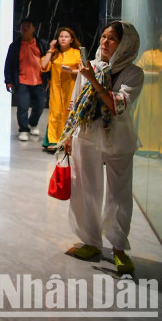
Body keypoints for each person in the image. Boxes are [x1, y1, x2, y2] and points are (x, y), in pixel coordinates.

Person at [61, 20, 143, 274]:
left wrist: (93, 80)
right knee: (86, 188)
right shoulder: (91, 66)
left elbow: (117, 105)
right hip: (86, 135)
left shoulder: (133, 73)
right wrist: (67, 136)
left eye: (112, 39)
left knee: (119, 194)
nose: (105, 42)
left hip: (118, 138)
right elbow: (76, 102)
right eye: (104, 37)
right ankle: (91, 241)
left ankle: (118, 248)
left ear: (125, 44)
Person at [4, 18, 48, 141]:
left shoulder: (42, 44)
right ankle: (23, 129)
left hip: (39, 81)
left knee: (40, 105)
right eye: (23, 26)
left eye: (28, 26)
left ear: (34, 28)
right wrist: (8, 81)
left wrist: (48, 78)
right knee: (22, 106)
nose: (25, 28)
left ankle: (33, 123)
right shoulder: (15, 46)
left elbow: (49, 62)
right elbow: (9, 64)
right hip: (22, 81)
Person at [39, 27, 82, 152]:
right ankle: (53, 140)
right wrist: (50, 49)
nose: (63, 38)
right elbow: (43, 66)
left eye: (66, 36)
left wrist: (72, 71)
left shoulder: (76, 53)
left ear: (71, 39)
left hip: (72, 88)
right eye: (61, 36)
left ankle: (67, 141)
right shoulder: (54, 53)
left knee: (69, 114)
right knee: (55, 113)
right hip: (56, 88)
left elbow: (84, 70)